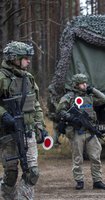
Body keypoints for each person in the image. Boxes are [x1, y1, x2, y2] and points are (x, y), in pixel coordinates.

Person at [0, 41, 48, 199]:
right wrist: (4, 115)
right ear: (14, 58)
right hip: (8, 134)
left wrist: (40, 126)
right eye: (26, 58)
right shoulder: (1, 77)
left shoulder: (28, 77)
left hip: (28, 132)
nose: (29, 61)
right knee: (11, 175)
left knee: (32, 173)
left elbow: (35, 104)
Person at [56, 73, 105, 190]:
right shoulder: (69, 97)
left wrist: (93, 90)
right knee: (78, 158)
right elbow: (59, 110)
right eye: (82, 83)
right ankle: (79, 181)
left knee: (95, 156)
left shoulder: (89, 96)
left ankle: (97, 181)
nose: (85, 85)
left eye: (86, 83)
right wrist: (71, 117)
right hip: (76, 132)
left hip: (90, 132)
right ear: (76, 85)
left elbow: (104, 99)